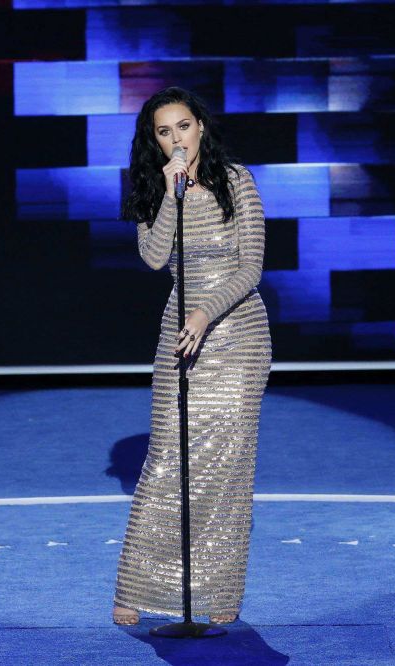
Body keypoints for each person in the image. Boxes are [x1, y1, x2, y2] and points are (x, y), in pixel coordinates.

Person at [112, 86, 272, 626]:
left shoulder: (239, 182)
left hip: (238, 334)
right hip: (179, 331)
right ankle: (134, 588)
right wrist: (169, 194)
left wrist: (206, 313)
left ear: (200, 126)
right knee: (166, 457)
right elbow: (156, 258)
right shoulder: (158, 187)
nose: (176, 138)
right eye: (164, 131)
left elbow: (251, 268)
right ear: (153, 141)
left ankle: (218, 594)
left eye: (183, 126)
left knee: (228, 466)